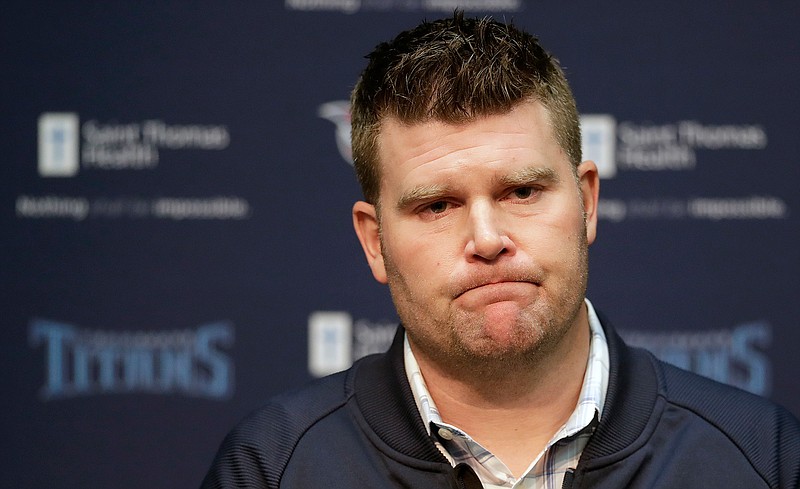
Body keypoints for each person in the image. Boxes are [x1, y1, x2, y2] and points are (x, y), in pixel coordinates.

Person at [201, 12, 799, 489]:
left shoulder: (760, 457)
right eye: (437, 206)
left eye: (522, 191)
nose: (487, 240)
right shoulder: (272, 468)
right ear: (375, 241)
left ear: (587, 203)